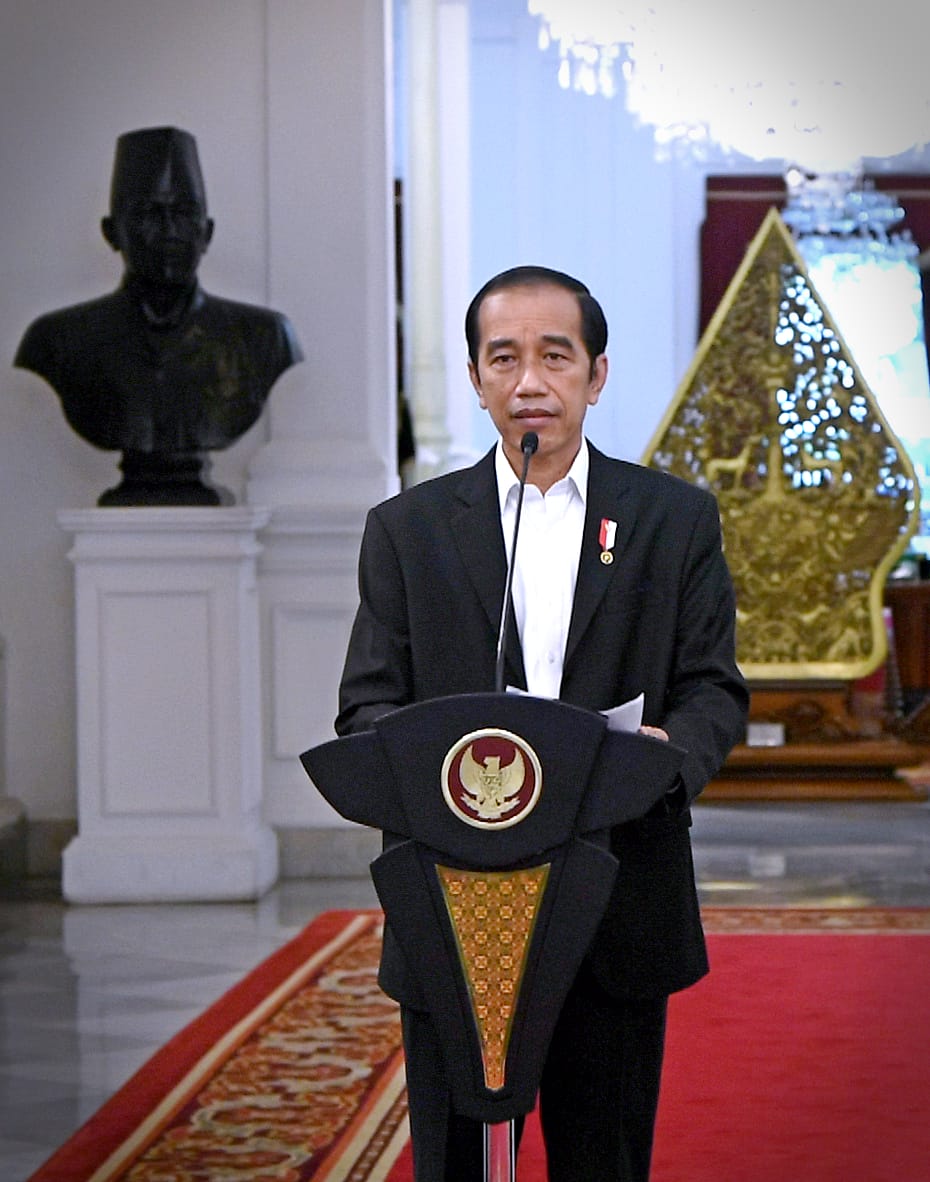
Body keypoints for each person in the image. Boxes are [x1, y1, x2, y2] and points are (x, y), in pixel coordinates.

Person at [336, 265, 748, 1181]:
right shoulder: (409, 530)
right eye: (504, 358)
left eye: (555, 357)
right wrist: (434, 766)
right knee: (459, 1163)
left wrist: (669, 758)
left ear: (596, 375)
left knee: (604, 1159)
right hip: (455, 905)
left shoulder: (672, 520)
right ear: (476, 379)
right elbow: (366, 703)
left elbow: (712, 690)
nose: (530, 381)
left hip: (617, 892)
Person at [14, 126, 302, 504]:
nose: (169, 231)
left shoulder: (263, 338)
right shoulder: (58, 341)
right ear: (111, 232)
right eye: (148, 213)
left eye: (184, 213)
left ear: (207, 232)